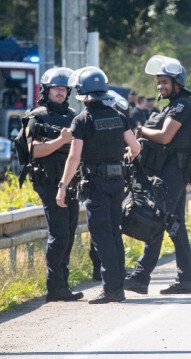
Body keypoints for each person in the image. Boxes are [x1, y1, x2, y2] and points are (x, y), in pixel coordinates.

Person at [55, 66, 140, 304]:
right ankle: (117, 286)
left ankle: (112, 290)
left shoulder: (82, 120)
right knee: (114, 232)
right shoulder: (119, 116)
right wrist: (121, 162)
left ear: (81, 93)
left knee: (101, 235)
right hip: (117, 182)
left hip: (97, 184)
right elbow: (135, 148)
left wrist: (63, 186)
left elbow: (74, 157)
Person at [124, 56, 191, 295]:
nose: (160, 86)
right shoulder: (172, 105)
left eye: (164, 82)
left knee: (155, 218)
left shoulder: (182, 106)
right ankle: (186, 279)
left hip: (174, 173)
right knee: (175, 224)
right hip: (171, 172)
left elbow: (165, 137)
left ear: (177, 82)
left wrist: (139, 130)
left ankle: (140, 276)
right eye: (158, 82)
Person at [25, 67, 83, 302]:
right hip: (49, 181)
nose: (60, 93)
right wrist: (61, 140)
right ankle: (55, 286)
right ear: (46, 90)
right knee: (59, 233)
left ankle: (63, 284)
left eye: (63, 89)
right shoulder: (36, 116)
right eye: (56, 89)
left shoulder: (72, 115)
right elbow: (34, 150)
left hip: (71, 181)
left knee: (68, 232)